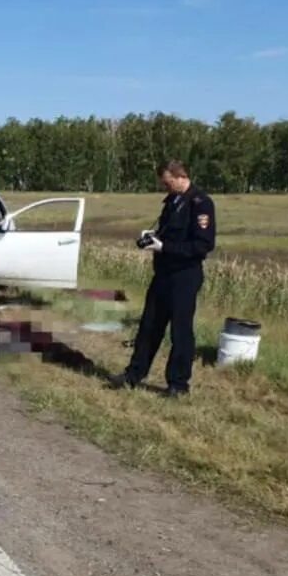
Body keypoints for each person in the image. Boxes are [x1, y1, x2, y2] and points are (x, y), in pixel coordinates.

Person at [112, 160, 216, 398]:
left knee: (180, 331)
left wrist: (165, 247)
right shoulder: (172, 201)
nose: (165, 188)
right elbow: (167, 230)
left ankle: (178, 385)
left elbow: (203, 245)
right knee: (149, 326)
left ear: (180, 176)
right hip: (163, 274)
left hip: (185, 276)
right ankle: (134, 374)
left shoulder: (200, 203)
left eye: (168, 183)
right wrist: (152, 238)